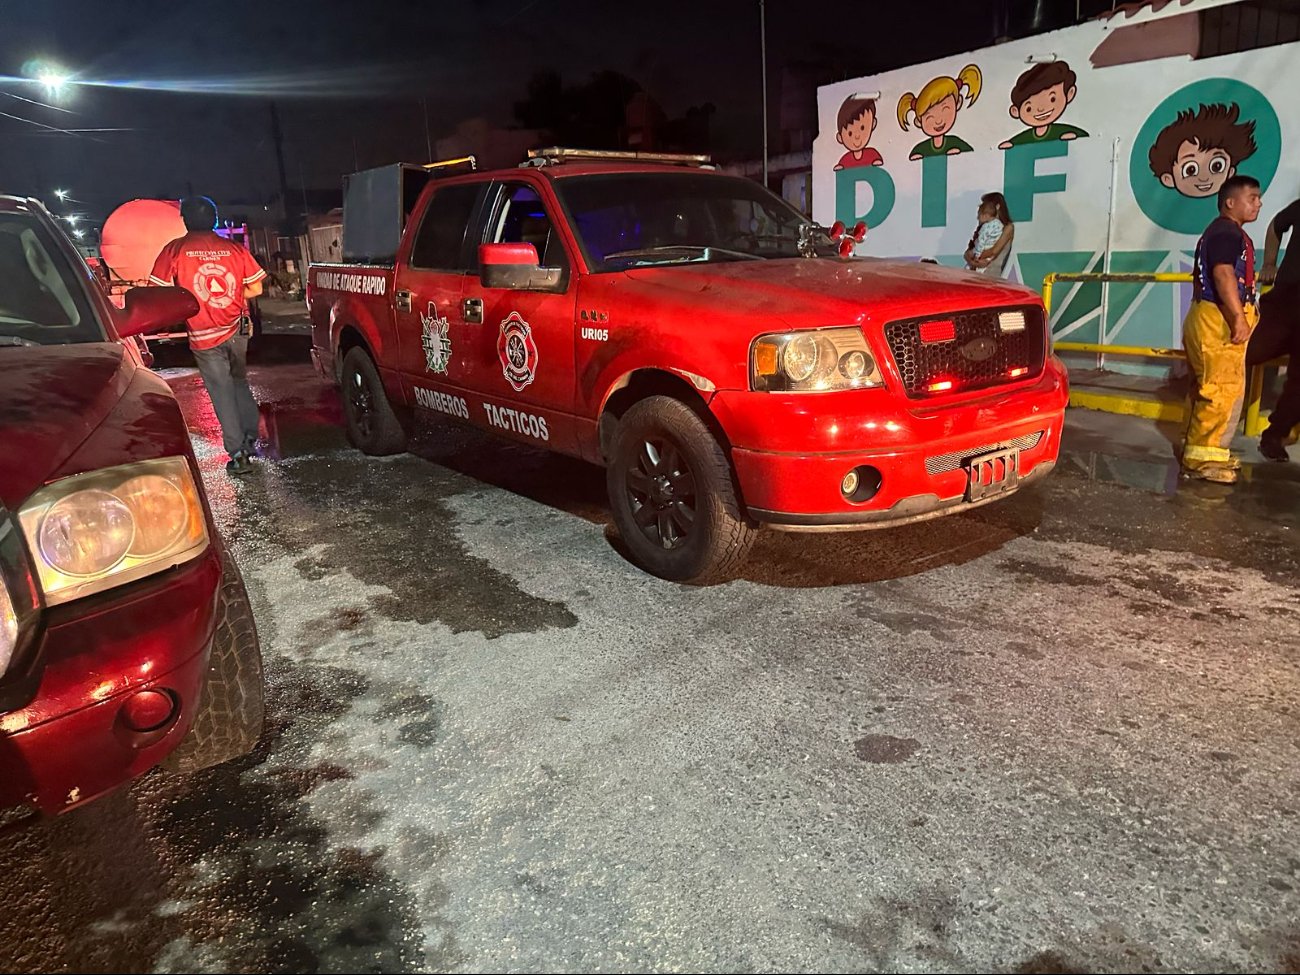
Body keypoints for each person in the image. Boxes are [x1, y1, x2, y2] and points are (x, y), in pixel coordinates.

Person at [149, 197, 267, 476]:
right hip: (238, 328)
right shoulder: (233, 249)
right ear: (214, 218)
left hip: (204, 334)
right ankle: (251, 438)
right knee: (239, 382)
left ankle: (238, 455)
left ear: (185, 220)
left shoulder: (175, 250)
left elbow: (159, 292)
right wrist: (233, 298)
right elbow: (256, 289)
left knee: (221, 390)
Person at [1180, 174, 1263, 483]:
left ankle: (1199, 451)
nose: (1258, 203)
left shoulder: (1221, 232)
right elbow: (1224, 274)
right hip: (1218, 320)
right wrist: (1238, 317)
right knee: (1221, 390)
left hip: (1206, 317)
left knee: (1204, 388)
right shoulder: (1227, 233)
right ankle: (1203, 460)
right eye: (1252, 197)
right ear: (1230, 202)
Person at [1248, 195, 1300, 461]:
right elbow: (1276, 225)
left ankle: (1274, 436)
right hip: (1285, 300)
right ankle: (1203, 408)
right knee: (1245, 349)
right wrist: (1269, 262)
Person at [963, 192, 1015, 278]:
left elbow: (994, 251)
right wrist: (972, 260)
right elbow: (968, 252)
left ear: (998, 207)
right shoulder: (984, 226)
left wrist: (974, 256)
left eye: (987, 205)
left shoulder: (1008, 227)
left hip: (992, 275)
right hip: (975, 273)